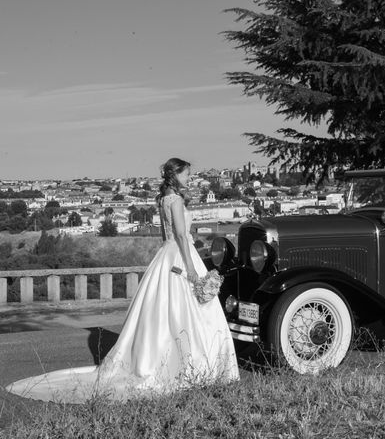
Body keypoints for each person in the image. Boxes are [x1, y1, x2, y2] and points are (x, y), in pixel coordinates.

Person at [6, 158, 239, 403]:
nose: (189, 179)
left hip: (165, 256)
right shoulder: (177, 200)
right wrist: (191, 270)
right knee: (193, 311)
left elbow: (165, 236)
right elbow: (182, 235)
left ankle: (161, 360)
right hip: (182, 256)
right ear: (176, 174)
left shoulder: (162, 200)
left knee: (161, 312)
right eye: (186, 174)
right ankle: (196, 366)